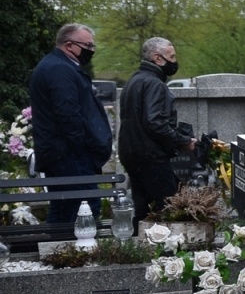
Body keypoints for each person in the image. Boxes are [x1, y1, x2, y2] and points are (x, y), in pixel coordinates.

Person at [29, 23, 113, 223]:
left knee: (63, 209)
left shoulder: (56, 66)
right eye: (88, 45)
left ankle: (56, 252)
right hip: (69, 155)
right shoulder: (60, 69)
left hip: (62, 153)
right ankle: (75, 252)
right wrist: (82, 147)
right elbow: (68, 114)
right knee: (83, 210)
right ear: (69, 45)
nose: (91, 51)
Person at [118, 37, 196, 221]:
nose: (175, 61)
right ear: (158, 58)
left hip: (132, 153)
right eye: (172, 56)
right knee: (168, 209)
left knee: (142, 210)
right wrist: (183, 141)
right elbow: (155, 122)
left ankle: (141, 246)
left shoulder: (134, 81)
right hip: (152, 157)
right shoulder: (154, 84)